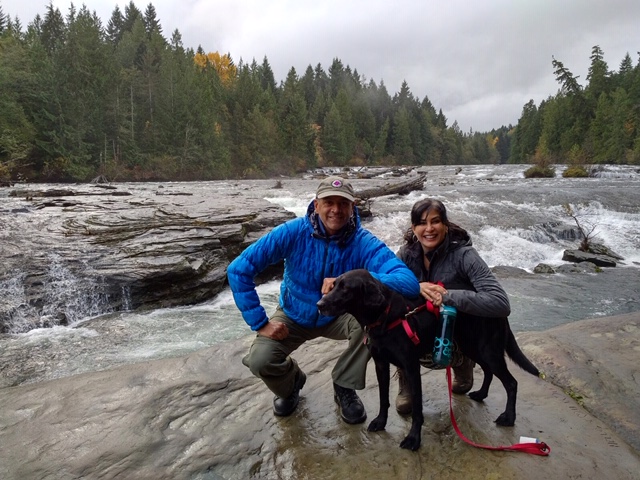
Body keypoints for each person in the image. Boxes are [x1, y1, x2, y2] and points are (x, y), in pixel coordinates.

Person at [227, 176, 420, 424]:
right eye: (329, 202)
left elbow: (408, 282)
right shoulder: (292, 232)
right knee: (260, 360)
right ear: (316, 205)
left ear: (352, 207)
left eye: (343, 203)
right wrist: (260, 323)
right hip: (294, 313)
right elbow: (238, 269)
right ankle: (291, 383)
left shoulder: (363, 242)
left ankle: (344, 385)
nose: (336, 210)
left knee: (374, 327)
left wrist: (351, 278)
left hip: (341, 316)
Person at [394, 198, 511, 414]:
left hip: (457, 332)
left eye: (435, 221)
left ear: (445, 225)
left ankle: (463, 363)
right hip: (420, 331)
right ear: (414, 228)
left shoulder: (465, 255)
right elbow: (388, 290)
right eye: (422, 223)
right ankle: (406, 381)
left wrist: (447, 296)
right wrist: (416, 287)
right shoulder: (405, 255)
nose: (429, 229)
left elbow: (500, 302)